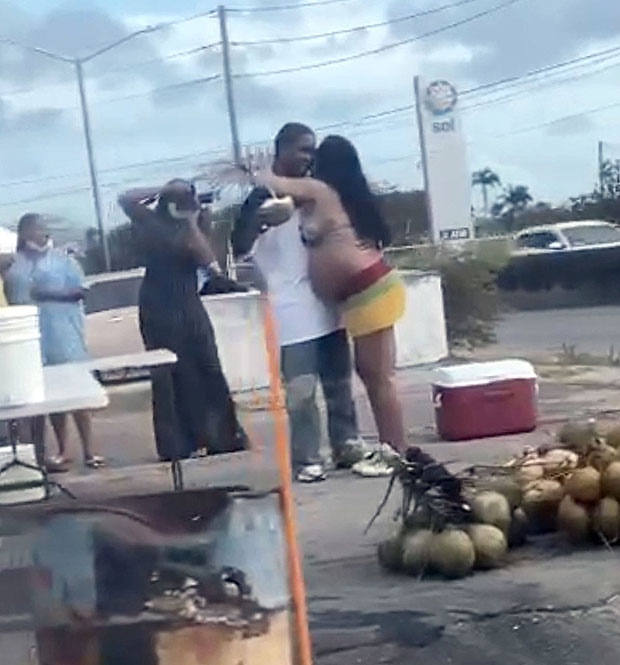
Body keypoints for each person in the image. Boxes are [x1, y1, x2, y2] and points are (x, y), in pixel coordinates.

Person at [255, 135, 407, 477]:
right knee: (375, 376)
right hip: (365, 294)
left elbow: (273, 182)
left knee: (378, 378)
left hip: (369, 292)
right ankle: (393, 449)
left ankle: (396, 452)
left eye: (314, 155)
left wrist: (257, 167)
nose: (309, 161)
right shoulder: (333, 195)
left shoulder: (321, 190)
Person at [232, 123, 371, 483]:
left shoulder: (312, 192)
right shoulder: (261, 194)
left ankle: (347, 444)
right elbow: (238, 244)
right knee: (302, 392)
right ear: (281, 150)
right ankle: (307, 459)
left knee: (339, 383)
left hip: (326, 301)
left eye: (313, 151)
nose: (309, 157)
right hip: (290, 310)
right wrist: (262, 222)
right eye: (303, 150)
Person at [118, 179, 248, 460]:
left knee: (208, 366)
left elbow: (206, 259)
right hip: (157, 308)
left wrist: (192, 220)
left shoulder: (197, 223)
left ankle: (221, 436)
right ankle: (177, 445)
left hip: (188, 302)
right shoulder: (152, 222)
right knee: (168, 374)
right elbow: (126, 198)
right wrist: (160, 189)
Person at [3, 213, 105, 470]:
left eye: (45, 231)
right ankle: (62, 451)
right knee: (50, 399)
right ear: (25, 235)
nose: (43, 235)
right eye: (37, 232)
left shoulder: (63, 260)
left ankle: (90, 451)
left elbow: (82, 290)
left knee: (78, 396)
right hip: (32, 343)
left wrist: (49, 294)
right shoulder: (14, 266)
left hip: (65, 337)